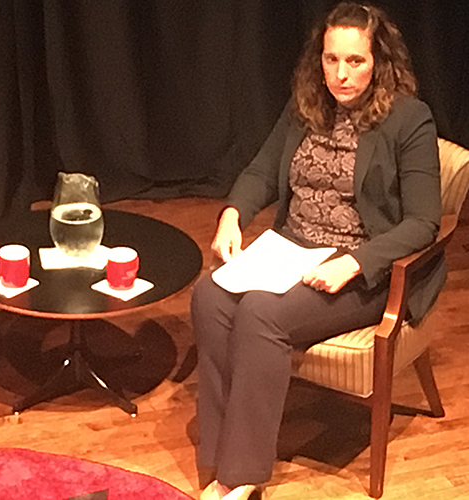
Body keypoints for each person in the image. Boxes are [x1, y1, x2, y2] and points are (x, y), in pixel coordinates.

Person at [190, 3, 443, 499]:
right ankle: (220, 455)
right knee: (210, 297)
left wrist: (357, 260)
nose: (341, 74)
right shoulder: (306, 105)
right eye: (331, 60)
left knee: (261, 314)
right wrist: (232, 214)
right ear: (318, 59)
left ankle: (239, 478)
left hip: (362, 270)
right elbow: (261, 172)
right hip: (291, 250)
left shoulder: (409, 120)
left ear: (380, 61)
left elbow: (423, 222)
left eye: (355, 61)